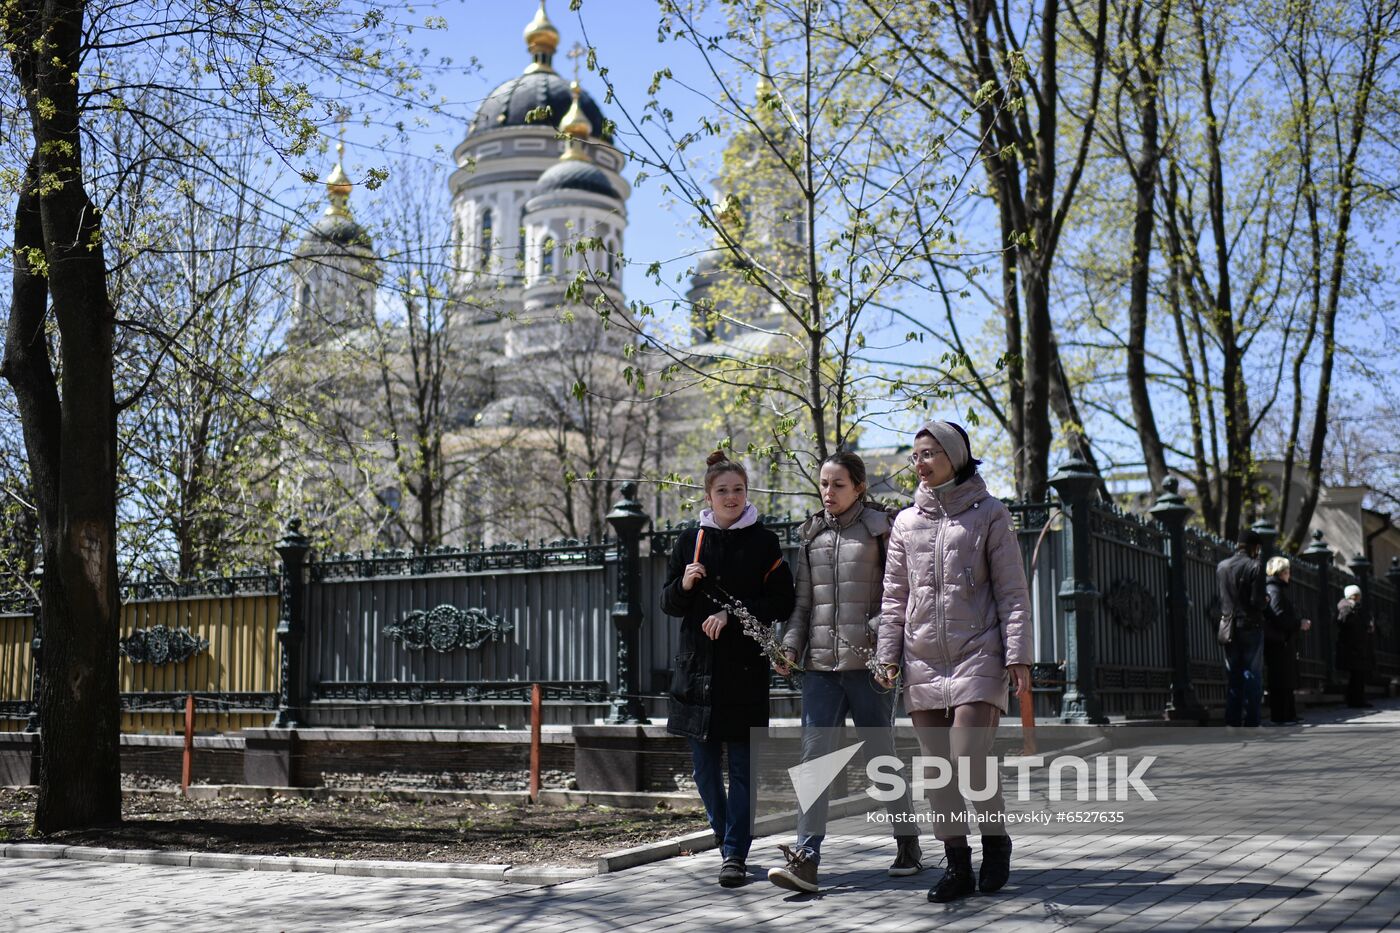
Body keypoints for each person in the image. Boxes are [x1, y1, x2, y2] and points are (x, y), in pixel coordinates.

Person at [873, 421, 1032, 904]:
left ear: (956, 455)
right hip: (921, 659)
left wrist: (1018, 655)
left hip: (978, 653)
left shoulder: (990, 514)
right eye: (916, 454)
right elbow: (894, 597)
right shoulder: (904, 522)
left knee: (967, 754)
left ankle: (996, 840)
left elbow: (1012, 592)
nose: (920, 462)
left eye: (929, 453)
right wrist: (886, 655)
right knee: (937, 768)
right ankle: (957, 863)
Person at [767, 451, 922, 894]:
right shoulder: (810, 534)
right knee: (814, 761)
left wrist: (878, 640)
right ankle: (806, 858)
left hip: (868, 669)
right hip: (819, 669)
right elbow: (801, 606)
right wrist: (789, 648)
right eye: (823, 484)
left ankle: (907, 844)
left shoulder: (881, 529)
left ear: (859, 487)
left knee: (881, 760)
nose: (828, 492)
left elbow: (898, 596)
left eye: (837, 484)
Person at [661, 451, 795, 888]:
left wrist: (734, 616)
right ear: (708, 495)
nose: (731, 497)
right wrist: (684, 583)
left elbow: (782, 601)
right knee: (703, 768)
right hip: (696, 671)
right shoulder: (689, 541)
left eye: (738, 489)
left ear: (746, 492)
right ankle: (726, 841)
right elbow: (667, 603)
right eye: (723, 491)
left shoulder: (764, 542)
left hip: (743, 673)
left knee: (741, 768)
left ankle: (735, 853)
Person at [1217, 530, 1267, 727]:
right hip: (1250, 624)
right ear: (1255, 547)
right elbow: (1257, 601)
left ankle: (1232, 721)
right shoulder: (1255, 566)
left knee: (1234, 675)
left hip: (1229, 626)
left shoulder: (1222, 567)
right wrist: (1265, 601)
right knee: (1253, 674)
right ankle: (1253, 721)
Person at [1263, 557, 1309, 724]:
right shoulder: (1274, 591)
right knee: (1281, 679)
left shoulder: (1276, 589)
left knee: (1286, 678)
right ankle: (1282, 715)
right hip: (1279, 642)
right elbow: (1278, 616)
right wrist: (1299, 623)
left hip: (1282, 641)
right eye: (1288, 572)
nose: (1290, 575)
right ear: (1281, 573)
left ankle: (1289, 713)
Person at [1337, 584, 1375, 709]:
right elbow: (1344, 622)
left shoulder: (1357, 609)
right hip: (1352, 648)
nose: (1357, 599)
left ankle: (1358, 700)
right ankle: (1354, 700)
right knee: (1355, 676)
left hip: (1358, 647)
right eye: (1355, 596)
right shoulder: (1345, 607)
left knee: (1359, 676)